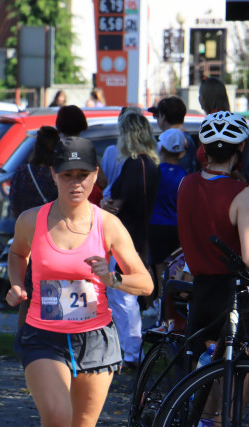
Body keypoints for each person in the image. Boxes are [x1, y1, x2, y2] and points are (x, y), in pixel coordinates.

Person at [5, 136, 153, 427]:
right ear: (52, 175)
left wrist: (113, 279)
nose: (75, 183)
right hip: (44, 334)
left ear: (95, 177)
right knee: (57, 417)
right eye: (66, 175)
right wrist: (17, 284)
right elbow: (17, 255)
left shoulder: (108, 225)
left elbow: (145, 282)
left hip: (96, 338)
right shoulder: (33, 220)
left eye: (82, 175)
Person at [176, 111, 249, 427]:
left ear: (204, 149)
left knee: (200, 377)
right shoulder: (242, 193)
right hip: (230, 291)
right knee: (233, 391)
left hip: (199, 290)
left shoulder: (186, 184)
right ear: (241, 149)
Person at [107, 110, 160, 368]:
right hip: (141, 235)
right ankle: (130, 350)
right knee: (126, 294)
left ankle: (131, 352)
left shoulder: (132, 164)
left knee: (122, 294)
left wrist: (104, 207)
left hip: (125, 236)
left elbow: (117, 204)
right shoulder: (151, 164)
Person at [196, 78, 249, 202]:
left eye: (200, 95)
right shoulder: (226, 121)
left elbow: (224, 158)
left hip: (220, 192)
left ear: (206, 97)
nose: (198, 98)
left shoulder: (216, 123)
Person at [149, 128, 189, 331]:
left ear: (161, 147)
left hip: (156, 226)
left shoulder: (155, 172)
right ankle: (171, 313)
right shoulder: (185, 176)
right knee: (177, 270)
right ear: (182, 151)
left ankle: (160, 309)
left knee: (159, 270)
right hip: (177, 228)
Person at [8, 126, 59, 220]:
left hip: (27, 226)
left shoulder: (22, 172)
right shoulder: (59, 174)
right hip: (51, 227)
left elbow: (14, 203)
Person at [149, 96, 198, 173]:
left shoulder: (178, 140)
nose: (157, 120)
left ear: (163, 117)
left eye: (157, 116)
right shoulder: (187, 138)